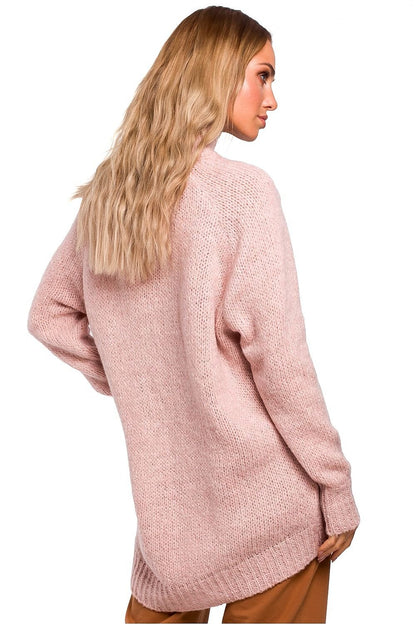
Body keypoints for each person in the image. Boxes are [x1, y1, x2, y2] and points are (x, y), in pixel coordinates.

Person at [27, 6, 360, 623]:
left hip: (170, 537)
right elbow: (282, 365)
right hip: (272, 512)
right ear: (218, 73)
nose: (273, 99)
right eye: (263, 76)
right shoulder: (242, 194)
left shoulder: (112, 197)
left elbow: (49, 314)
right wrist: (335, 486)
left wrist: (140, 375)